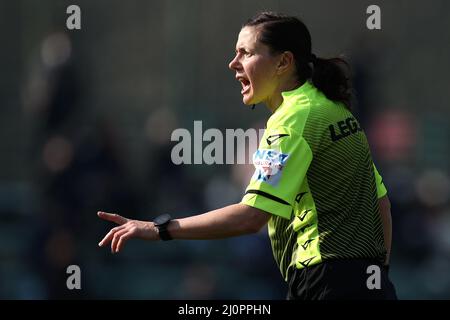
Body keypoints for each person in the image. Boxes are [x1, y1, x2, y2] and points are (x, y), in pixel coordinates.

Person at [98, 11, 397, 300]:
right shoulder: (332, 109)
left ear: (283, 62)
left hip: (326, 280)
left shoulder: (292, 120)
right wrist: (377, 274)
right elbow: (381, 203)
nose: (233, 63)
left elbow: (251, 216)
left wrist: (159, 229)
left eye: (246, 53)